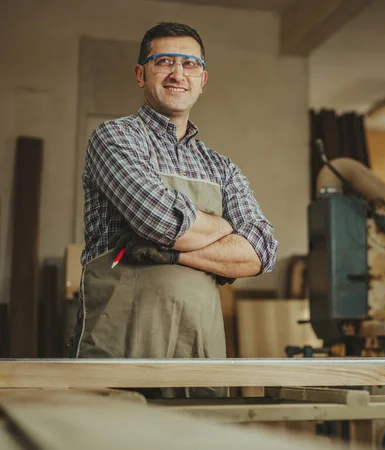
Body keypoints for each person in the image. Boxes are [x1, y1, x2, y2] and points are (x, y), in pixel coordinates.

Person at [68, 22, 278, 396]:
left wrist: (173, 255)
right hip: (120, 349)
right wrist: (226, 227)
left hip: (199, 356)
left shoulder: (221, 167)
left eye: (190, 64)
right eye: (164, 61)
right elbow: (160, 220)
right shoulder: (115, 137)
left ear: (203, 79)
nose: (178, 74)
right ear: (140, 73)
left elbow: (260, 252)